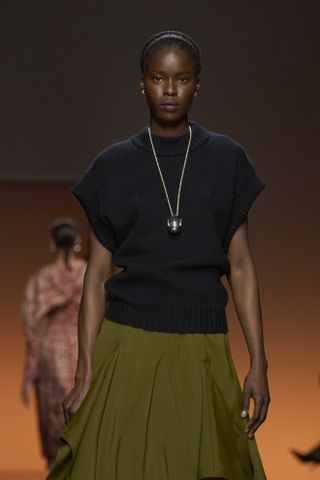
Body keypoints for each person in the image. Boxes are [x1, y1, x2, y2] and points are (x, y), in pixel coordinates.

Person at [46, 31, 270, 479]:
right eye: (158, 78)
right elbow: (97, 275)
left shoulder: (227, 160)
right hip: (127, 344)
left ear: (197, 83)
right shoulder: (112, 166)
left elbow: (241, 266)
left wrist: (259, 363)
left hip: (202, 347)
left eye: (182, 78)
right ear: (142, 82)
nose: (170, 89)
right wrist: (84, 371)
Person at [21, 217, 87, 470]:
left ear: (53, 242)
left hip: (50, 354)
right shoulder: (88, 274)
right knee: (83, 420)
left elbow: (31, 325)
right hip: (82, 351)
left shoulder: (41, 278)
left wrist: (29, 373)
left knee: (53, 427)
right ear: (77, 241)